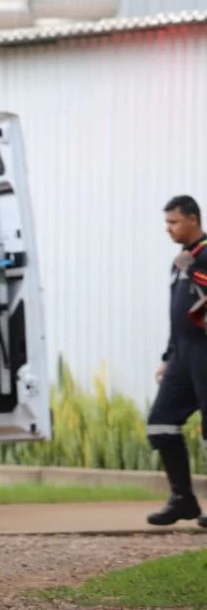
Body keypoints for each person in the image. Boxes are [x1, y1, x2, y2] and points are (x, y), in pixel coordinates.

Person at [146, 195, 207, 526]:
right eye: (166, 222)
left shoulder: (202, 257)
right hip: (182, 354)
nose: (167, 229)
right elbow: (178, 314)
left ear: (193, 220)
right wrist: (169, 357)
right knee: (160, 423)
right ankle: (183, 499)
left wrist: (194, 270)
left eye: (173, 222)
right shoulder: (180, 261)